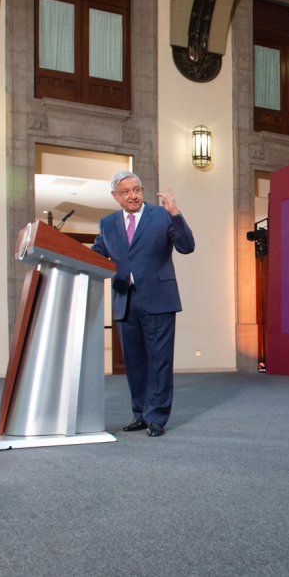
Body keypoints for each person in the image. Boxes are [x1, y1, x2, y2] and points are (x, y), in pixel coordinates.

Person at [92, 171, 195, 438]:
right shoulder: (107, 223)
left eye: (137, 189)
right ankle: (140, 413)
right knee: (135, 363)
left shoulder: (161, 216)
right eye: (126, 191)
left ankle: (157, 416)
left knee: (159, 360)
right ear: (116, 196)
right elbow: (95, 256)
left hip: (159, 299)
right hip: (125, 300)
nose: (133, 195)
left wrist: (175, 213)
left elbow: (187, 246)